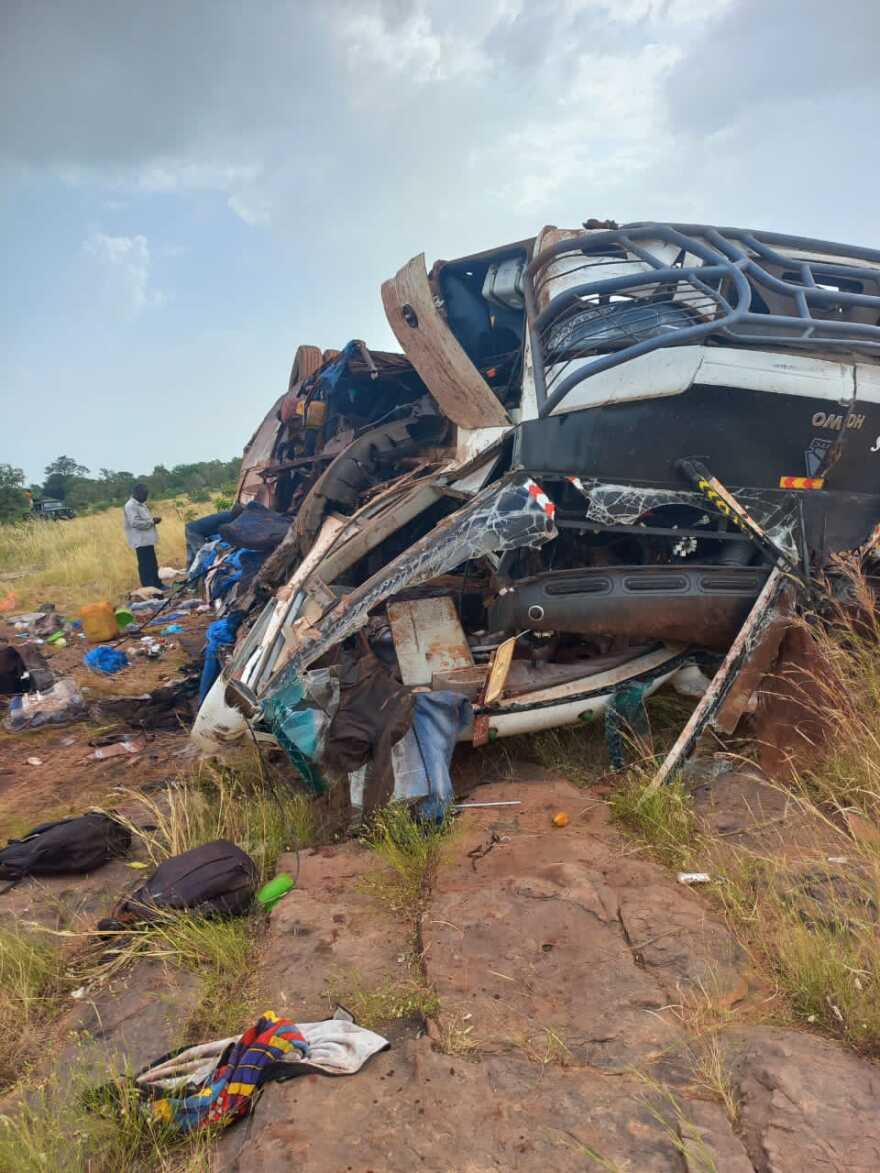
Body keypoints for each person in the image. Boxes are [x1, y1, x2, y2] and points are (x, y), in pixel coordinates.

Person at [123, 483, 164, 590]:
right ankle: (148, 588)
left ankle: (157, 584)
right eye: (144, 494)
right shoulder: (130, 505)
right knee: (145, 566)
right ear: (137, 493)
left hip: (147, 539)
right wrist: (152, 521)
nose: (146, 497)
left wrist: (152, 521)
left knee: (152, 564)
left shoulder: (141, 504)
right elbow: (134, 522)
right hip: (140, 540)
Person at [184, 502, 242, 569]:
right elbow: (225, 534)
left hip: (190, 528)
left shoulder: (227, 515)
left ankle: (189, 575)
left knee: (191, 556)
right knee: (203, 554)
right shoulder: (230, 519)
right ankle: (200, 574)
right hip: (195, 533)